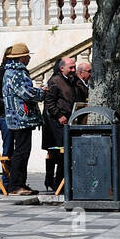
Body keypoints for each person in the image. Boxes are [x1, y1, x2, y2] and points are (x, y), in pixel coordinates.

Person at [1, 42, 44, 195]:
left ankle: (20, 184)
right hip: (21, 118)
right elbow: (26, 93)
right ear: (21, 58)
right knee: (22, 152)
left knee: (21, 151)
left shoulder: (9, 72)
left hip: (15, 118)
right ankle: (15, 186)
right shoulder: (18, 73)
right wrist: (41, 92)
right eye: (27, 56)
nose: (28, 59)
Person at [42, 56, 79, 192]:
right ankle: (57, 182)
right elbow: (49, 102)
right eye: (71, 67)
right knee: (60, 151)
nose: (73, 70)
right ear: (61, 68)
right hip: (55, 123)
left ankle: (59, 182)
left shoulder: (72, 80)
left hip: (68, 120)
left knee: (62, 151)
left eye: (74, 67)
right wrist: (59, 115)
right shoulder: (55, 81)